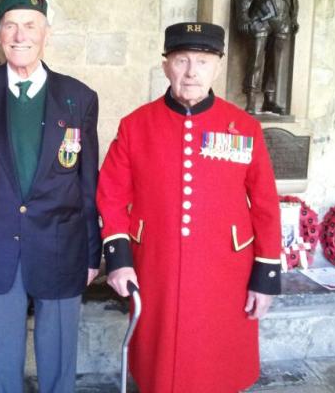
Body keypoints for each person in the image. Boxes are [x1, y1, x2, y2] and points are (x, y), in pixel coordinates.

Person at [97, 22, 282, 392]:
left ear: (217, 67)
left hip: (225, 273)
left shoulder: (243, 128)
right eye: (182, 60)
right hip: (157, 268)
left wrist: (266, 277)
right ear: (166, 66)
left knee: (219, 367)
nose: (192, 72)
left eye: (202, 60)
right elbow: (111, 194)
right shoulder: (135, 126)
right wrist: (119, 259)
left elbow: (264, 203)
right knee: (158, 367)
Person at [0, 0, 101, 393]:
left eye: (30, 26)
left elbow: (88, 181)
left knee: (58, 355)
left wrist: (92, 250)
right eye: (11, 26)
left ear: (46, 33)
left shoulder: (79, 97)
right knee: (3, 358)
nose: (21, 36)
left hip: (61, 240)